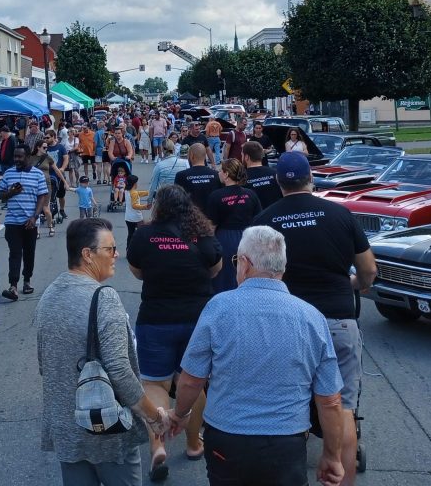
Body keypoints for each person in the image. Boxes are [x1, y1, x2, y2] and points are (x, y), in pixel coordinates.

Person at [169, 226, 345, 486]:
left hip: (227, 438)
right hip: (287, 441)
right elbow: (330, 400)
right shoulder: (312, 317)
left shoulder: (218, 307)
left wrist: (180, 414)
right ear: (282, 268)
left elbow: (191, 380)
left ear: (244, 263)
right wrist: (332, 455)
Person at [253, 152, 377, 486]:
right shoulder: (341, 214)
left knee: (287, 402)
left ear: (279, 184)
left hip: (286, 322)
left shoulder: (265, 222)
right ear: (311, 179)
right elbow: (368, 271)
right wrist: (355, 285)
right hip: (338, 318)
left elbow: (255, 277)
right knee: (342, 407)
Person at [36, 218, 171, 486]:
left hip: (67, 427)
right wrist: (153, 417)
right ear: (87, 254)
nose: (116, 255)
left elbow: (45, 364)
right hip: (108, 429)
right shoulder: (104, 298)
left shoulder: (48, 295)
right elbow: (119, 370)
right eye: (110, 249)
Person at [126, 185, 222, 480]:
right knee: (192, 381)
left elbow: (137, 271)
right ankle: (194, 444)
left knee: (155, 383)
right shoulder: (202, 235)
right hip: (196, 320)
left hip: (156, 318)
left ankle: (158, 444)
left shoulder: (143, 235)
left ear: (158, 207)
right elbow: (215, 270)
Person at [0, 146, 49, 300]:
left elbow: (42, 196)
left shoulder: (38, 174)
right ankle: (13, 286)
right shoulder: (8, 174)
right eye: (15, 156)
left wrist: (34, 217)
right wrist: (11, 192)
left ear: (28, 157)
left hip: (30, 222)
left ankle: (27, 281)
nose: (17, 160)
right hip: (12, 221)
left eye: (20, 157)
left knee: (29, 253)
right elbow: (1, 195)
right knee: (14, 253)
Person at [204, 159, 262, 294]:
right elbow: (258, 220)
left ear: (226, 174)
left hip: (225, 240)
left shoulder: (216, 196)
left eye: (221, 170)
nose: (219, 173)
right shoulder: (251, 194)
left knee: (224, 279)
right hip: (248, 239)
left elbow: (211, 226)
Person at [173, 144, 222, 212]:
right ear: (205, 156)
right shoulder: (217, 175)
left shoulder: (181, 176)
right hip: (212, 218)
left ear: (191, 156)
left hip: (190, 218)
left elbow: (176, 200)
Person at [241, 141, 282, 208]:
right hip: (275, 214)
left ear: (246, 157)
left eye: (242, 154)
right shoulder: (275, 173)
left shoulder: (241, 178)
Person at [124, 175, 150, 252]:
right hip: (137, 217)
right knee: (142, 233)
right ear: (134, 183)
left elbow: (138, 193)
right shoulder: (134, 193)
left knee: (130, 234)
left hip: (128, 217)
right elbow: (134, 206)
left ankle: (128, 249)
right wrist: (145, 207)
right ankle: (142, 249)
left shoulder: (127, 191)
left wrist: (148, 193)